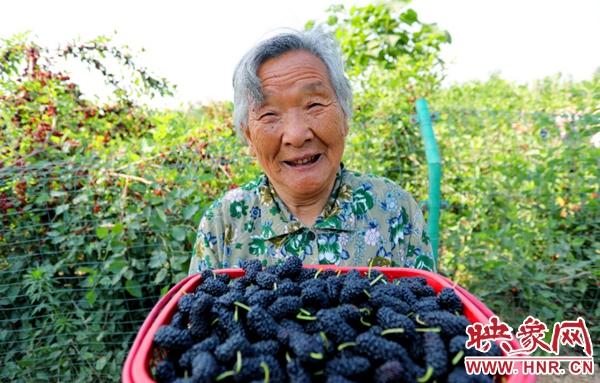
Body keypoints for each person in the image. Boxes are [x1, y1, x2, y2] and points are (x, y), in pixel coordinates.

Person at [189, 27, 433, 274]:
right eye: (270, 114)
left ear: (345, 116)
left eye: (314, 105)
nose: (296, 135)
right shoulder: (223, 222)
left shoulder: (394, 209)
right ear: (250, 137)